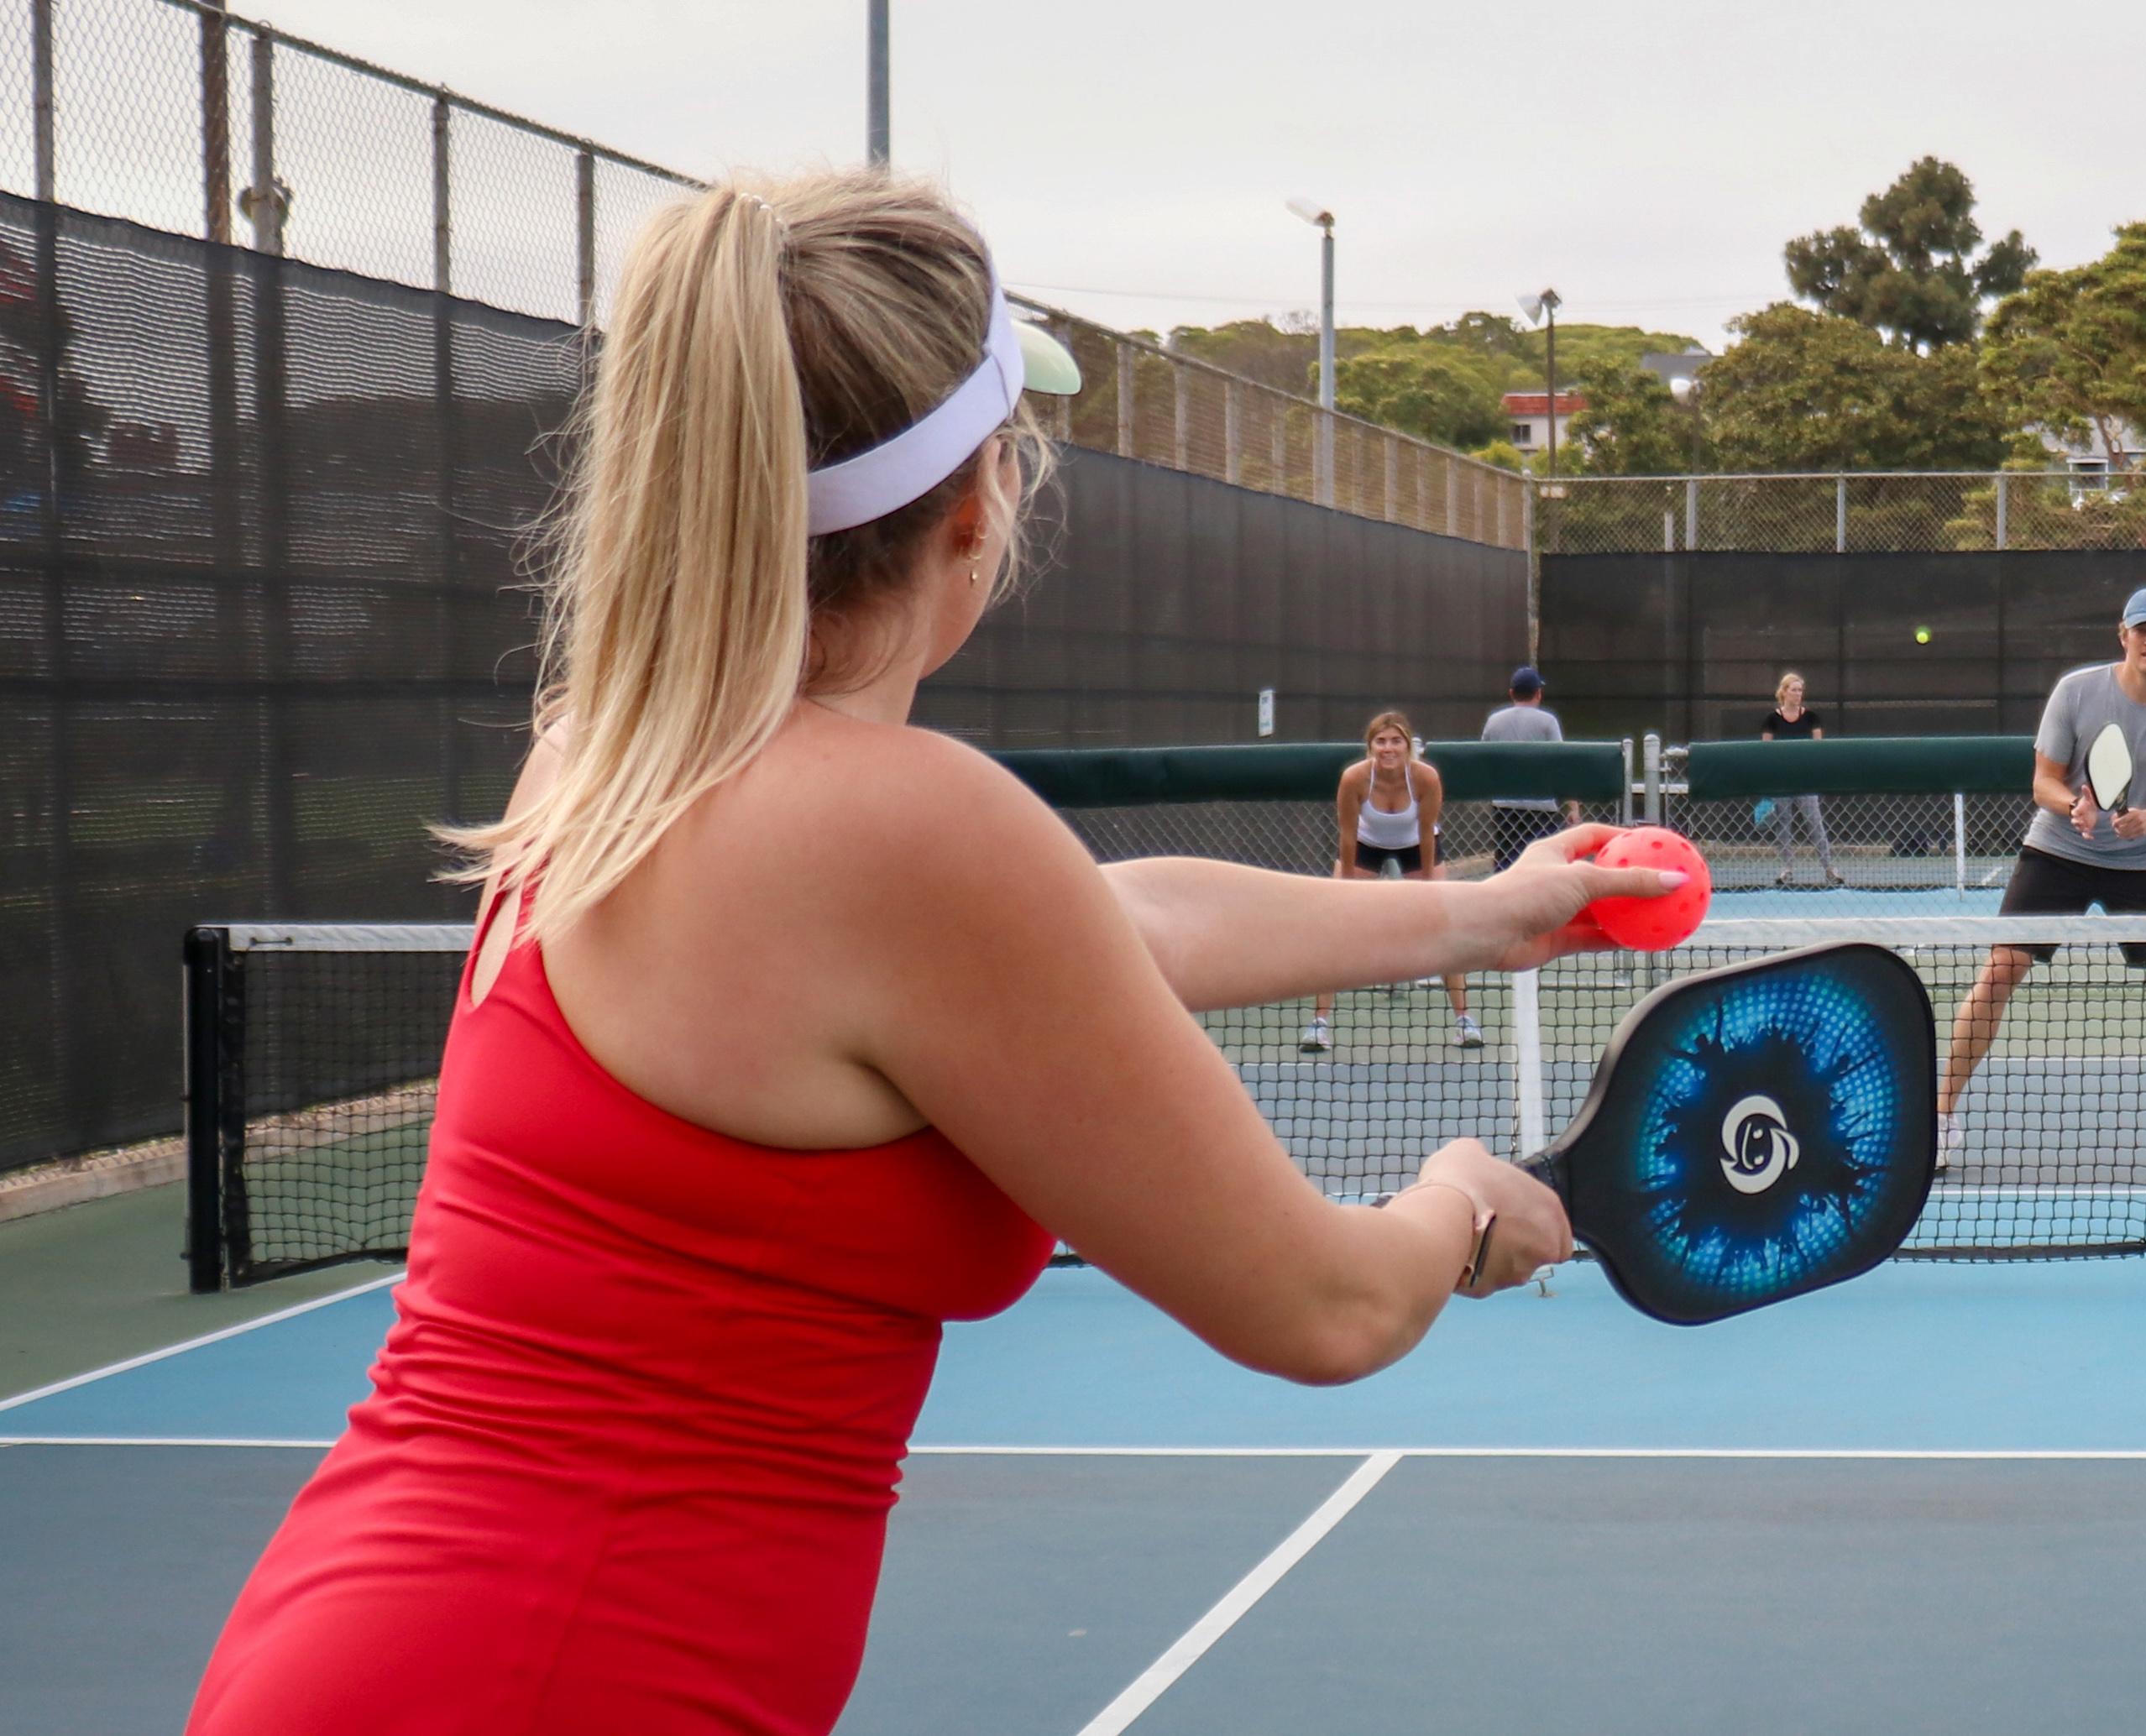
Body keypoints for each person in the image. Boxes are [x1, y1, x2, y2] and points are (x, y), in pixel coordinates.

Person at [184, 171, 1675, 1736]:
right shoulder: (901, 829)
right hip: (545, 1673)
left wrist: (1491, 907)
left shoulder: (606, 752)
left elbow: (1114, 934)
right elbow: (1325, 1305)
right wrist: (1456, 1201)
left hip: (369, 1640)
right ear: (974, 512)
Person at [1935, 586, 2146, 1177]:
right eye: (2141, 629)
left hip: (2141, 860)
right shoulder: (2077, 691)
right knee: (2000, 969)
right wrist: (2074, 808)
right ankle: (1940, 1121)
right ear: (2123, 634)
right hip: (2058, 848)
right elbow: (2044, 782)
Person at [1301, 712, 1484, 1053]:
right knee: (1332, 930)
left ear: (1407, 745)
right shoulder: (1354, 778)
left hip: (1418, 846)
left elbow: (1427, 834)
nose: (1388, 748)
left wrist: (1429, 886)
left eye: (1396, 741)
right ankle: (1318, 1024)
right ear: (1370, 746)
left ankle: (1464, 1021)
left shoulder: (1426, 778)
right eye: (1381, 741)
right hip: (1365, 847)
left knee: (1445, 929)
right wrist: (1346, 888)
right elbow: (1347, 834)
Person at [1480, 665, 1579, 869]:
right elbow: (1562, 763)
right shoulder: (1548, 722)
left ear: (1511, 693)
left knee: (1507, 862)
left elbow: (1484, 759)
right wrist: (1573, 807)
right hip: (1542, 807)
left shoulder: (1494, 721)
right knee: (1543, 862)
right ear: (1538, 693)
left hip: (1505, 806)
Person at [1759, 671, 1840, 886]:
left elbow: (1818, 748)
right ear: (1784, 692)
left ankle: (1829, 868)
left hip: (1805, 780)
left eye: (1800, 690)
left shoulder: (1812, 718)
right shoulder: (1772, 719)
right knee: (1783, 824)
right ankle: (1787, 869)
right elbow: (1765, 751)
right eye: (1794, 690)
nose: (1798, 694)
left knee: (1815, 823)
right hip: (1781, 782)